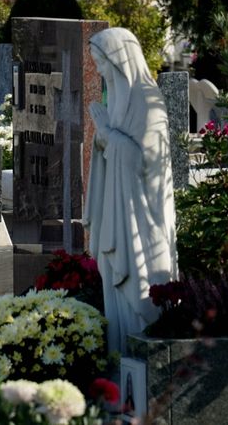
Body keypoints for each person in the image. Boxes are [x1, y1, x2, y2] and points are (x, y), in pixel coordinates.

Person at [83, 27, 178, 354]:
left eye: (102, 63)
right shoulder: (122, 101)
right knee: (113, 286)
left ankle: (141, 365)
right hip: (116, 216)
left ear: (120, 60)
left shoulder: (148, 102)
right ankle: (119, 366)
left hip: (140, 223)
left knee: (139, 294)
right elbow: (112, 152)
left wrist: (108, 134)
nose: (99, 71)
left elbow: (145, 163)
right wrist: (101, 139)